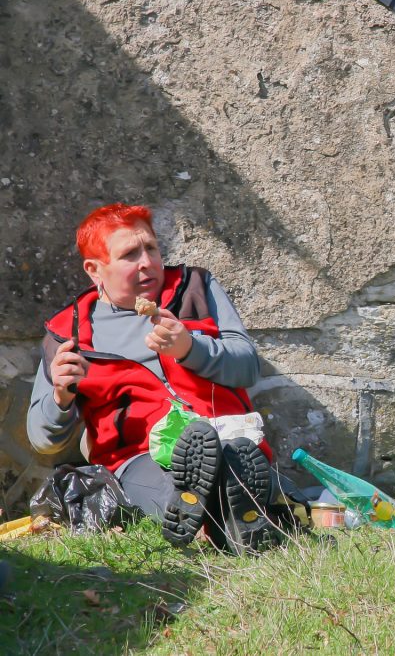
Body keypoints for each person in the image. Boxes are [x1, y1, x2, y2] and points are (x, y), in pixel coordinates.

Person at [27, 203, 286, 554]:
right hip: (139, 455)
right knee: (172, 486)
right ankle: (231, 517)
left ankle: (225, 511)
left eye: (151, 247)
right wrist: (61, 396)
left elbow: (248, 367)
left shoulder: (195, 288)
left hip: (223, 432)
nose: (147, 262)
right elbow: (42, 440)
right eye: (130, 254)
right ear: (95, 270)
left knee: (233, 454)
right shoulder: (67, 334)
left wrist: (190, 348)